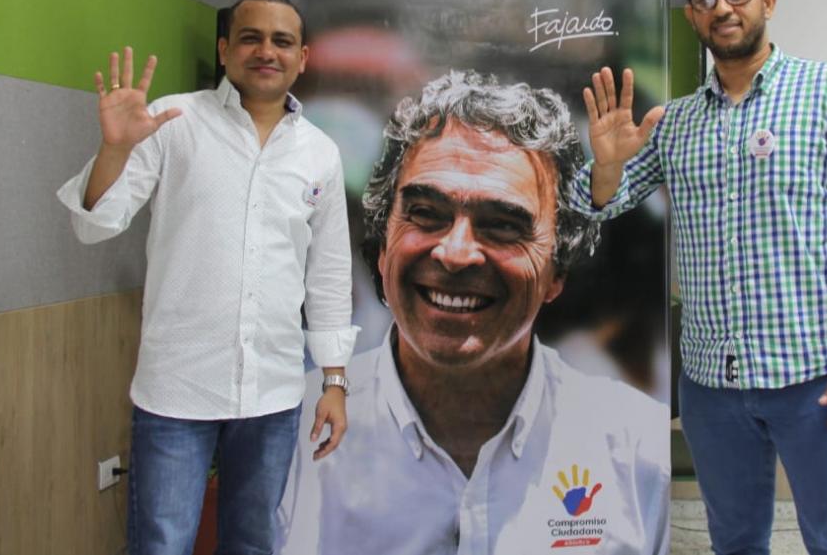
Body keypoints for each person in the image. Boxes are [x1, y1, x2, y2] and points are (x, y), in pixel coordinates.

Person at [572, 0, 827, 555]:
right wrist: (604, 168)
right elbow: (598, 209)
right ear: (691, 15)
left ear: (768, 0)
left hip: (815, 377)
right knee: (733, 542)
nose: (723, 6)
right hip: (711, 384)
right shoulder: (674, 123)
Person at [278, 72, 670, 555]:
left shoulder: (636, 452)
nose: (456, 253)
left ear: (557, 270)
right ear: (382, 246)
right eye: (425, 212)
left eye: (503, 225)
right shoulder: (286, 436)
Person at [57, 0, 359, 555]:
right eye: (250, 37)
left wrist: (335, 382)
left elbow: (328, 275)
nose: (266, 50)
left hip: (272, 393)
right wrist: (114, 151)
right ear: (225, 50)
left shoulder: (319, 153)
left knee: (250, 542)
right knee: (160, 544)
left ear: (303, 58)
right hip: (177, 390)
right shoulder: (173, 121)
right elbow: (95, 224)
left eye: (281, 41)